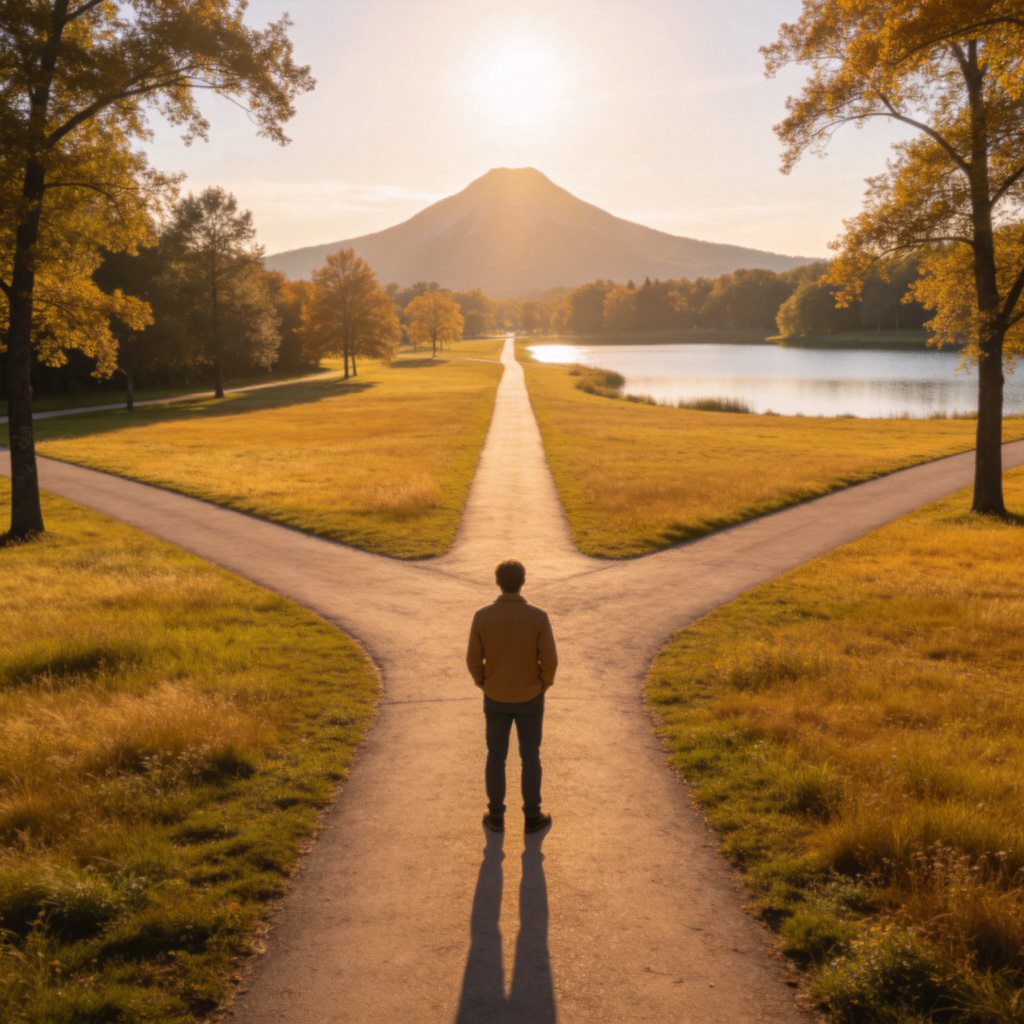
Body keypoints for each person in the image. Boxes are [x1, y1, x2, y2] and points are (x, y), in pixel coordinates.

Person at [466, 559, 557, 834]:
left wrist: (484, 682)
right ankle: (532, 816)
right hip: (530, 694)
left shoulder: (482, 616)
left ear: (498, 582)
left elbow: (472, 659)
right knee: (530, 756)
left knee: (496, 755)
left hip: (495, 695)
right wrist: (543, 684)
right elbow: (550, 660)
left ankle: (496, 816)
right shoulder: (538, 616)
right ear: (523, 581)